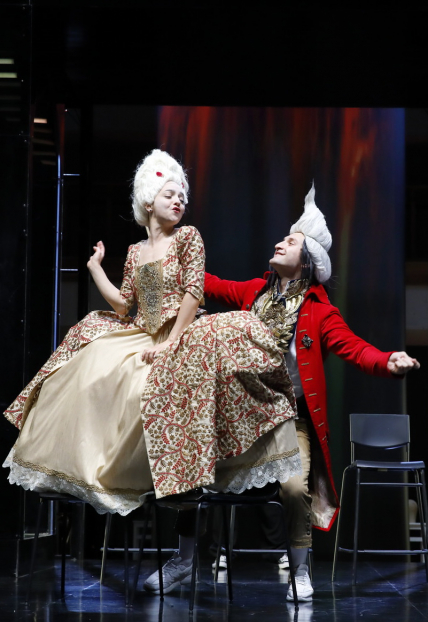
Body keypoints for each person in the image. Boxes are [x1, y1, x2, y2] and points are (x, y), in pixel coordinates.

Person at [3, 149, 301, 589]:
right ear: (148, 201)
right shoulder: (134, 251)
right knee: (91, 366)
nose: (179, 200)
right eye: (169, 194)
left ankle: (189, 536)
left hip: (184, 337)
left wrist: (171, 344)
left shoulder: (188, 238)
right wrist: (95, 269)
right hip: (142, 336)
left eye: (182, 195)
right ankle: (97, 473)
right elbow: (124, 305)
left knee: (170, 397)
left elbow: (194, 293)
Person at [203, 185, 420, 601]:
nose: (279, 242)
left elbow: (355, 348)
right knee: (201, 478)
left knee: (292, 489)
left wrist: (387, 360)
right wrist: (173, 258)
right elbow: (210, 284)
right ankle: (192, 557)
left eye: (291, 241)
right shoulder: (253, 292)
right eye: (283, 238)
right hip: (244, 415)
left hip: (290, 418)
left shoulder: (320, 312)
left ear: (306, 261)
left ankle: (300, 570)